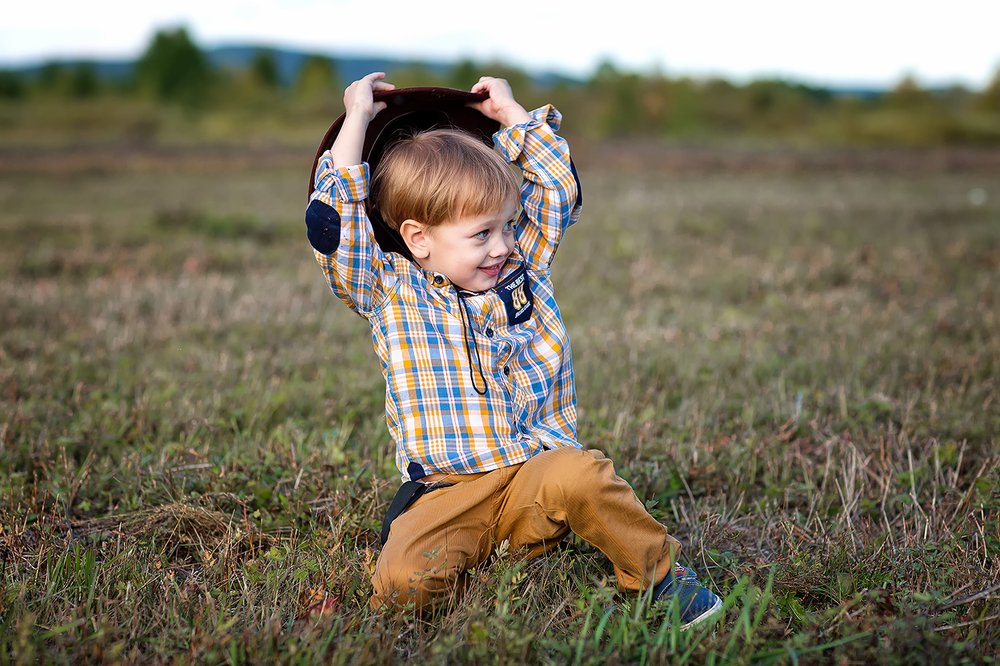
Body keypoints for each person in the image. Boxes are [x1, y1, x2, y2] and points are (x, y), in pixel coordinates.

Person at [305, 72, 723, 629]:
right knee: (400, 588)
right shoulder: (389, 290)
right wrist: (357, 117)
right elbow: (337, 223)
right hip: (447, 490)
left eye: (506, 226)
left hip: (533, 471)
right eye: (481, 234)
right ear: (418, 237)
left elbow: (557, 191)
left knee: (582, 475)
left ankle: (661, 578)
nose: (502, 245)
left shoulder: (522, 265)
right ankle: (494, 548)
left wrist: (513, 116)